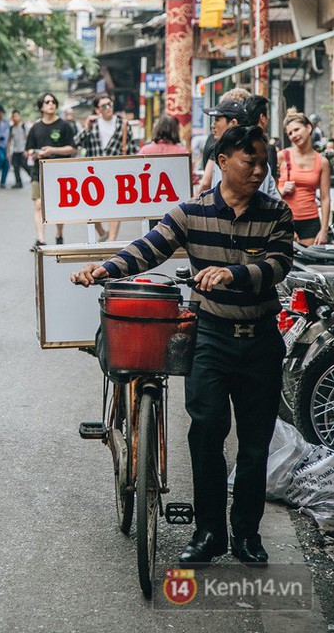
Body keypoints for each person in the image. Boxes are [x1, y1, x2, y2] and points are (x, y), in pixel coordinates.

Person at [72, 125, 293, 567]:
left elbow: (279, 264)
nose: (258, 169)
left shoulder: (276, 212)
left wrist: (233, 274)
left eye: (263, 161)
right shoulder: (189, 212)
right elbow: (148, 248)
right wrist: (105, 268)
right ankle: (210, 532)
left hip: (261, 340)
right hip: (209, 337)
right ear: (222, 160)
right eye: (250, 160)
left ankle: (246, 534)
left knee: (255, 442)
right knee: (206, 432)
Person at [75, 92, 131, 242]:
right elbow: (77, 143)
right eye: (104, 106)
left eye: (110, 104)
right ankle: (102, 233)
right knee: (89, 205)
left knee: (116, 206)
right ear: (97, 109)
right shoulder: (92, 125)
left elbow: (131, 149)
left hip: (117, 171)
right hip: (94, 172)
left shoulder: (123, 123)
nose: (108, 108)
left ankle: (111, 241)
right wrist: (86, 127)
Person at [25, 91, 77, 247]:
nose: (51, 104)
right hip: (38, 172)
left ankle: (59, 235)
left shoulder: (64, 125)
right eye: (47, 102)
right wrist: (34, 154)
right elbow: (28, 150)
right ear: (41, 106)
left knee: (58, 206)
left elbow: (73, 148)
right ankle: (41, 239)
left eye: (53, 102)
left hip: (59, 173)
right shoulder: (35, 127)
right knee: (38, 205)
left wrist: (53, 150)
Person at [278, 108, 331, 245]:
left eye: (296, 130)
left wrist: (324, 229)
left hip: (311, 222)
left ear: (308, 128)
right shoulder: (283, 157)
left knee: (309, 264)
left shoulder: (322, 162)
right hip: (284, 220)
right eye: (290, 133)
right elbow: (268, 191)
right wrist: (281, 190)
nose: (293, 135)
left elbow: (325, 198)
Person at [8, 110, 29, 189]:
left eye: (17, 116)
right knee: (15, 167)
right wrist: (8, 152)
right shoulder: (12, 128)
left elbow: (28, 139)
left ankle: (34, 179)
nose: (15, 118)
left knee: (25, 166)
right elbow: (9, 141)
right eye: (14, 116)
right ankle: (18, 182)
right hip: (15, 150)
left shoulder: (24, 126)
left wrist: (27, 150)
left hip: (23, 150)